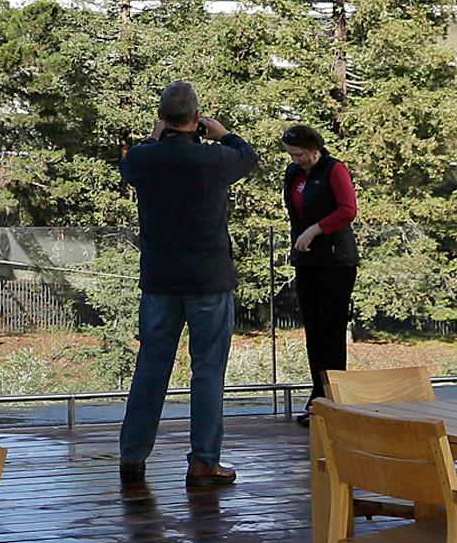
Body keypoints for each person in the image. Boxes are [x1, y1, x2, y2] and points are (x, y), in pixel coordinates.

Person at [116, 81, 257, 496]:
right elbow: (248, 157)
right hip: (209, 280)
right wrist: (221, 130)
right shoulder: (213, 160)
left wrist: (153, 134)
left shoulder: (144, 159)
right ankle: (203, 461)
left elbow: (131, 165)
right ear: (195, 119)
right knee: (208, 371)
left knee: (151, 368)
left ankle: (133, 455)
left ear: (163, 118)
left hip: (160, 281)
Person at [280, 124, 359, 401]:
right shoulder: (294, 174)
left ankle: (335, 395)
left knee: (331, 329)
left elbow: (348, 210)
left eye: (300, 154)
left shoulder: (334, 169)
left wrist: (316, 229)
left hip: (335, 260)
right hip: (307, 260)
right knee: (313, 329)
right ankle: (318, 394)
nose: (295, 160)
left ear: (315, 150)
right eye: (291, 155)